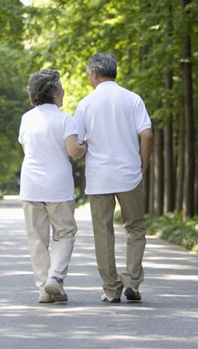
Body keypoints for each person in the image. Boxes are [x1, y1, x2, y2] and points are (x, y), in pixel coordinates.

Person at [73, 53, 154, 303]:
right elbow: (147, 135)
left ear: (95, 74)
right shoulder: (133, 99)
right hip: (129, 174)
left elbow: (76, 145)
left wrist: (88, 157)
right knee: (136, 228)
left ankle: (111, 289)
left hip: (99, 178)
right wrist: (143, 164)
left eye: (89, 74)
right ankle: (132, 282)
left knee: (103, 232)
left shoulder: (86, 104)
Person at [19, 69, 88, 303]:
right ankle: (56, 278)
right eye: (61, 88)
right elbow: (73, 150)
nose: (64, 92)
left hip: (31, 187)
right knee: (65, 233)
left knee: (37, 238)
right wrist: (84, 147)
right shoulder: (64, 118)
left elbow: (26, 149)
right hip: (58, 187)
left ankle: (43, 289)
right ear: (55, 92)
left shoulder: (26, 118)